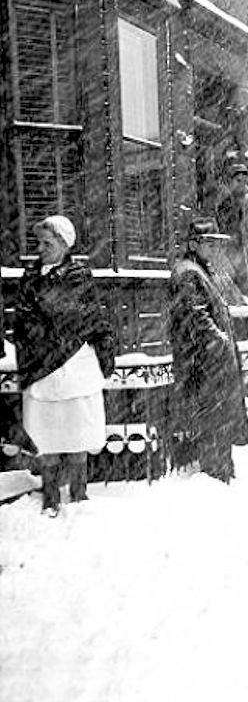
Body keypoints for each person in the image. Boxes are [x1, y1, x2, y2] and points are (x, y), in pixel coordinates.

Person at [13, 215, 115, 516]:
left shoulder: (78, 276)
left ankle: (79, 494)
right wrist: (34, 336)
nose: (40, 248)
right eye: (39, 243)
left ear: (63, 245)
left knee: (77, 430)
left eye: (47, 243)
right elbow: (23, 319)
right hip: (41, 365)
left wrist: (104, 350)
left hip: (75, 365)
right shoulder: (30, 276)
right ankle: (50, 495)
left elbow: (86, 317)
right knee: (46, 433)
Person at [167, 218, 248, 483]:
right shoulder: (189, 273)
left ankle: (221, 472)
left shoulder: (201, 270)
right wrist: (220, 342)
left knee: (218, 422)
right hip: (206, 367)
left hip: (212, 365)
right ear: (194, 244)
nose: (214, 248)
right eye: (209, 243)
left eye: (216, 243)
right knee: (213, 422)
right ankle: (216, 476)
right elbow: (196, 317)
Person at [215, 150, 248, 295]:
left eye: (244, 182)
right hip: (227, 249)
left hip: (241, 249)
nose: (242, 185)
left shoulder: (247, 200)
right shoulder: (224, 200)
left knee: (244, 286)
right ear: (230, 181)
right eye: (238, 181)